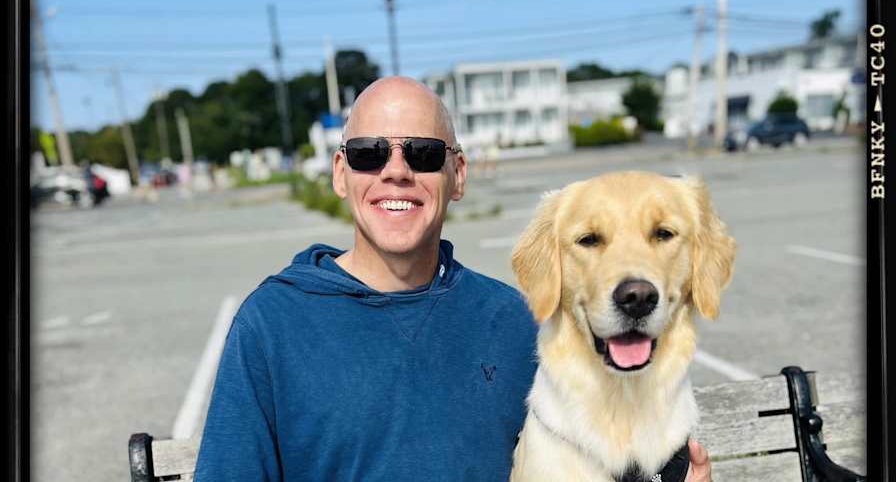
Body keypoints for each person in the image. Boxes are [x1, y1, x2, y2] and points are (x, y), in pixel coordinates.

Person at [193, 76, 712, 481]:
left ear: (457, 174)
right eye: (370, 153)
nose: (396, 171)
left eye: (422, 153)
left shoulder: (518, 320)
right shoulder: (272, 325)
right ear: (339, 172)